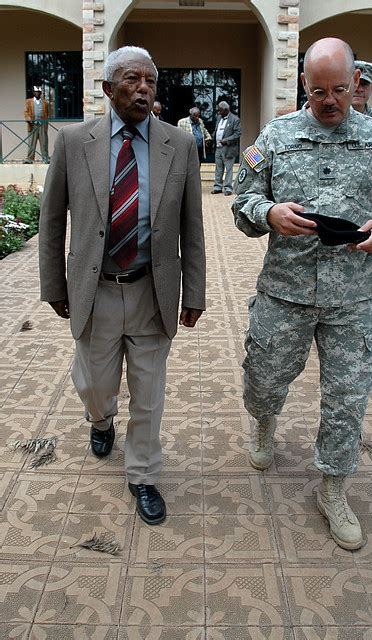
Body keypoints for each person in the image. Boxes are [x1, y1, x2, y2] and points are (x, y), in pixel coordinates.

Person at [232, 37, 372, 551]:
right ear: (303, 87)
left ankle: (334, 488)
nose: (331, 100)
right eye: (319, 92)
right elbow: (243, 200)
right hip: (284, 292)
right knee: (263, 378)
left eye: (340, 89)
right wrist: (268, 214)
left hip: (353, 299)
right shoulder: (274, 137)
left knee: (346, 399)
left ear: (356, 82)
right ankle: (264, 423)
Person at [39, 46, 206, 526]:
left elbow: (192, 228)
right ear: (109, 88)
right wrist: (54, 283)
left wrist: (193, 292)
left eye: (151, 81)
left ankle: (143, 476)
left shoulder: (180, 143)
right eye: (133, 80)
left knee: (149, 394)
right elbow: (52, 222)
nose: (144, 90)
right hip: (97, 291)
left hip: (153, 289)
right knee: (94, 383)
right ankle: (100, 419)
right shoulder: (74, 142)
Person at [211, 101, 241, 196]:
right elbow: (216, 131)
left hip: (228, 149)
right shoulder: (219, 118)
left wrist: (226, 140)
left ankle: (228, 188)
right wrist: (211, 138)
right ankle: (217, 187)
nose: (219, 113)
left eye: (220, 111)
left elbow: (238, 134)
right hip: (218, 148)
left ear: (226, 110)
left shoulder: (235, 119)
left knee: (228, 169)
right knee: (218, 168)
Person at [23, 85, 50, 163]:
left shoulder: (44, 102)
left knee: (44, 142)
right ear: (33, 93)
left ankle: (45, 158)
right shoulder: (28, 101)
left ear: (41, 93)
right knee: (31, 142)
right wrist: (29, 119)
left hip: (42, 124)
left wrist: (45, 122)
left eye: (39, 92)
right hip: (32, 125)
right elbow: (25, 112)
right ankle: (29, 159)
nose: (37, 93)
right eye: (36, 92)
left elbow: (46, 113)